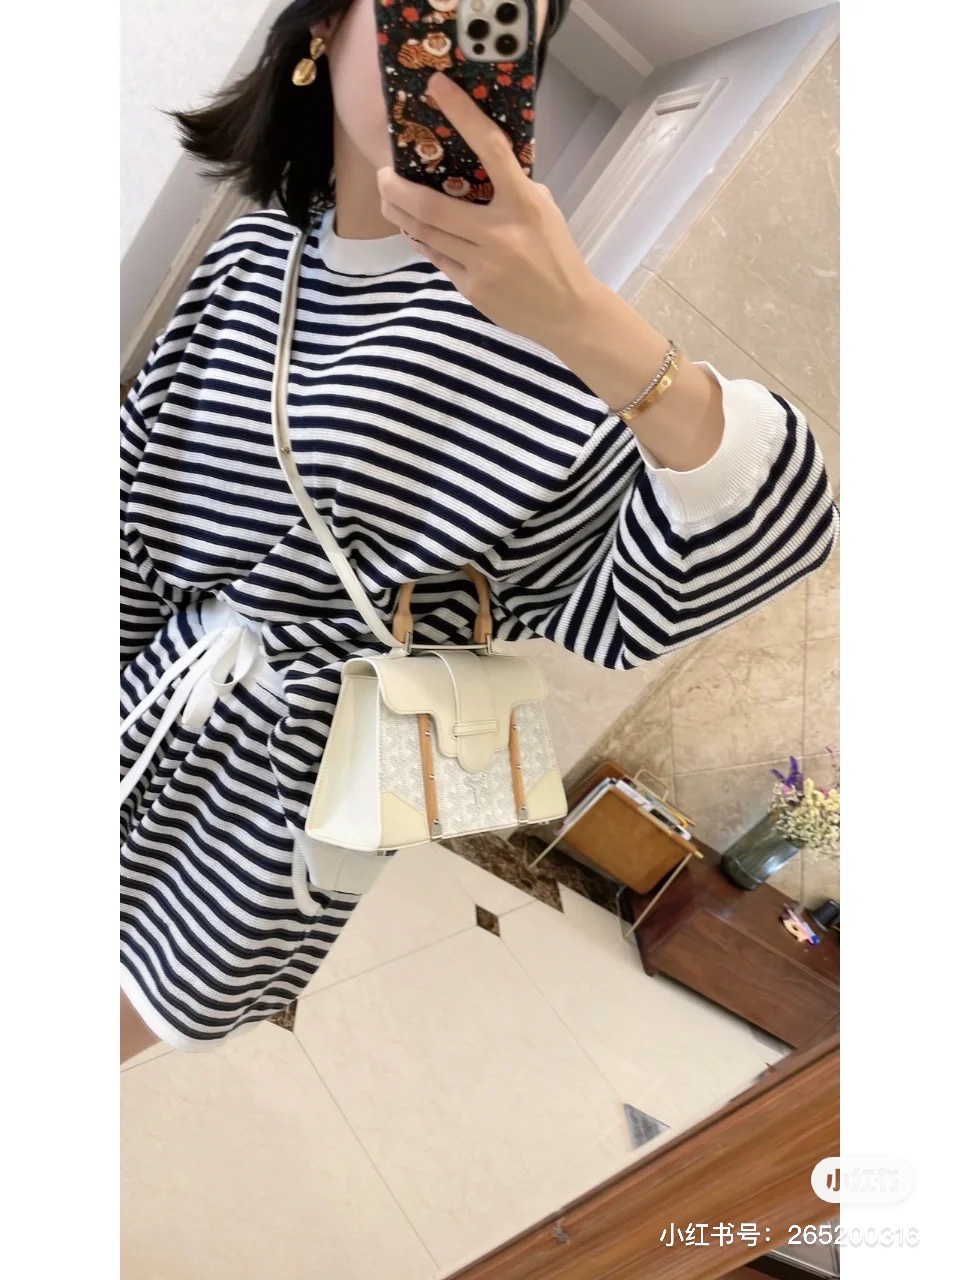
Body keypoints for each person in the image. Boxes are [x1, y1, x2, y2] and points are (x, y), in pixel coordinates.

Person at [120, 0, 839, 1063]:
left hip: (295, 800)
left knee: (140, 1003)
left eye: (506, 19)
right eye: (430, 8)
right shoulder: (252, 258)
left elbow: (732, 554)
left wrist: (587, 321)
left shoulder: (542, 339)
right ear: (323, 28)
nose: (456, 46)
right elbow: (128, 514)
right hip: (139, 695)